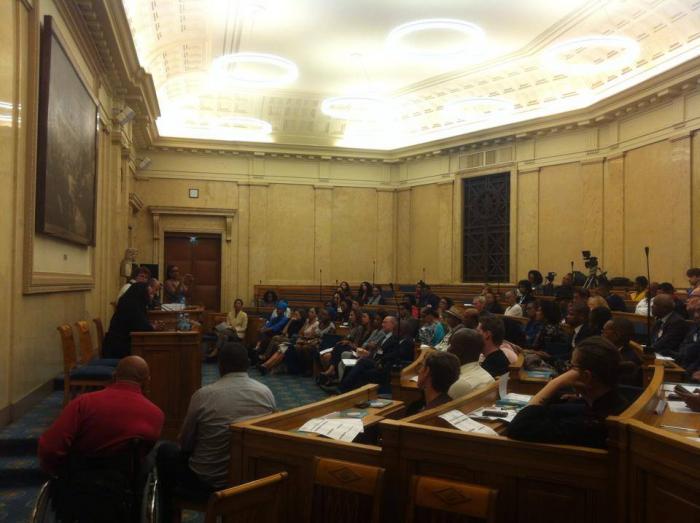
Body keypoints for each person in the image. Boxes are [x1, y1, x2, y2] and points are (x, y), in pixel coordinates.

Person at [157, 343, 275, 522]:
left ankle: (167, 517)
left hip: (207, 481)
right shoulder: (265, 393)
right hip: (248, 478)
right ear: (247, 364)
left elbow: (185, 443)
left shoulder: (204, 395)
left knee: (165, 451)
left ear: (221, 366)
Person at [38, 357, 164, 522]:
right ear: (147, 381)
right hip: (121, 489)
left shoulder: (83, 403)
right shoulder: (155, 414)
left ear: (114, 375)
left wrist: (57, 470)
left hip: (75, 485)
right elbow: (142, 453)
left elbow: (49, 447)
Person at [508, 337, 630, 449]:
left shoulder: (592, 424)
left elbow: (519, 427)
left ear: (586, 376)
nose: (567, 371)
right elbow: (551, 410)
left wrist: (554, 383)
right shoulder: (611, 402)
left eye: (571, 367)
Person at [337, 316, 400, 393]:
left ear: (393, 324)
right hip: (374, 360)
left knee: (362, 362)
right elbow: (376, 351)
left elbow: (388, 356)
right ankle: (345, 390)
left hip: (381, 365)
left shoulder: (394, 339)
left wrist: (370, 358)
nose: (382, 324)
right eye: (383, 322)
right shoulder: (384, 337)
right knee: (351, 366)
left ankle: (342, 389)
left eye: (385, 322)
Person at [103, 282, 157, 359]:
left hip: (118, 344)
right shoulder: (131, 306)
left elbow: (141, 322)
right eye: (150, 294)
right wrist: (153, 327)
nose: (152, 296)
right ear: (142, 294)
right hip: (118, 349)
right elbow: (141, 327)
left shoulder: (131, 302)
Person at [447, 328, 495, 399]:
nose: (448, 349)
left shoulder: (459, 384)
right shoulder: (488, 376)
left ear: (459, 351)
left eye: (451, 345)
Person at [258, 308, 305, 375]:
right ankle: (266, 366)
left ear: (301, 316)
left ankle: (266, 359)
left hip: (293, 340)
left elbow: (299, 335)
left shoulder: (302, 323)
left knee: (275, 338)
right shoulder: (292, 322)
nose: (294, 316)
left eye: (296, 314)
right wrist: (290, 321)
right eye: (294, 314)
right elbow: (283, 332)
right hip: (287, 339)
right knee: (276, 343)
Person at [602, 318, 643, 387]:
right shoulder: (607, 351)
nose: (601, 335)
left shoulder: (629, 361)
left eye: (604, 332)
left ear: (616, 335)